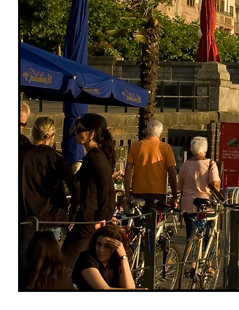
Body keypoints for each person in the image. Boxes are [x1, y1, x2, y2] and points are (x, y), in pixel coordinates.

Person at [61, 114, 117, 267]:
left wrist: (102, 217)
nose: (75, 133)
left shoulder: (95, 157)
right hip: (87, 219)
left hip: (87, 221)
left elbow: (107, 188)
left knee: (64, 266)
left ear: (91, 134)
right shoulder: (95, 156)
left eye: (79, 130)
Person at [20, 117, 80, 232]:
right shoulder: (56, 158)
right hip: (52, 217)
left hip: (26, 218)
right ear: (52, 137)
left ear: (33, 133)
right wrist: (73, 213)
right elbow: (75, 185)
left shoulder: (22, 155)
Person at [124, 119, 177, 207]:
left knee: (138, 218)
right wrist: (174, 196)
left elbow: (128, 169)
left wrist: (127, 192)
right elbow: (171, 172)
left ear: (147, 131)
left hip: (138, 190)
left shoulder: (135, 146)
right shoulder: (165, 148)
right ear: (161, 133)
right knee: (154, 218)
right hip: (158, 191)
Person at [178, 136, 221, 238]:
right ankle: (206, 252)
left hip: (188, 204)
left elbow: (180, 187)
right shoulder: (211, 164)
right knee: (207, 234)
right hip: (205, 204)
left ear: (192, 149)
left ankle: (190, 251)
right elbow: (215, 184)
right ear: (205, 149)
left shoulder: (184, 165)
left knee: (191, 234)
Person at [72, 225, 137, 290]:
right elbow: (104, 289)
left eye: (107, 246)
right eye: (99, 244)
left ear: (115, 249)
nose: (101, 250)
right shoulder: (86, 258)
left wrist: (123, 257)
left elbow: (130, 288)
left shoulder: (116, 262)